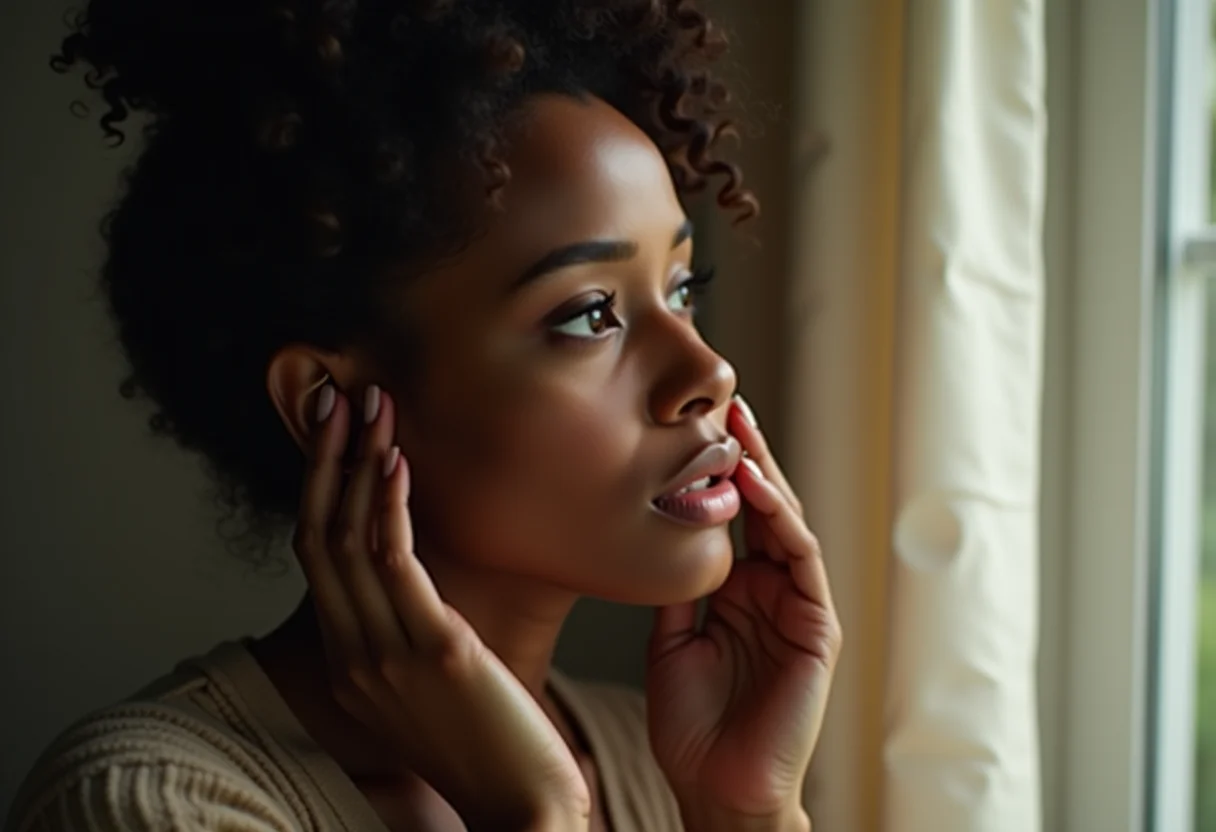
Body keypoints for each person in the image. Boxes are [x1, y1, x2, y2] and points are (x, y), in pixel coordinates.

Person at [5, 1, 842, 829]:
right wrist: (537, 816)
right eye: (591, 313)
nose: (709, 372)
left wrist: (742, 813)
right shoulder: (148, 804)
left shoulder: (663, 763)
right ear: (327, 403)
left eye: (682, 289)